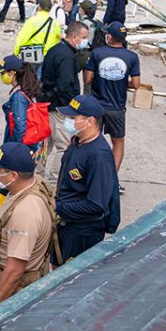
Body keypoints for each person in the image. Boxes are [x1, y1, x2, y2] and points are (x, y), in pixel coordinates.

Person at [0, 143, 58, 317]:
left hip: (17, 288)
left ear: (13, 175)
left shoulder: (25, 213)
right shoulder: (33, 183)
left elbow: (15, 270)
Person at [0, 55, 45, 226]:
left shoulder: (19, 96)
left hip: (19, 145)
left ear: (12, 73)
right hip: (31, 145)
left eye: (4, 72)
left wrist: (15, 151)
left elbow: (20, 125)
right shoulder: (27, 89)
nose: (2, 76)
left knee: (8, 180)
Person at [55, 95, 120, 262]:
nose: (67, 121)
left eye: (72, 118)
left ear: (90, 121)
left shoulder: (99, 156)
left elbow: (96, 204)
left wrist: (58, 208)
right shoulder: (77, 141)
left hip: (82, 232)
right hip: (66, 224)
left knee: (68, 280)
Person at [84, 22, 141, 177]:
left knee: (90, 139)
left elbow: (88, 79)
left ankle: (89, 175)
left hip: (97, 106)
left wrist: (101, 78)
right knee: (118, 143)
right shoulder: (132, 57)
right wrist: (121, 81)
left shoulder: (97, 53)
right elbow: (136, 85)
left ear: (109, 36)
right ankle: (110, 178)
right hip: (117, 108)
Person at [41, 21, 89, 184]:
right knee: (63, 146)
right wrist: (71, 110)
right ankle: (54, 181)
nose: (86, 41)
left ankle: (37, 177)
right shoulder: (66, 57)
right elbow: (66, 85)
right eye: (84, 37)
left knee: (45, 145)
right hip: (60, 109)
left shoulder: (56, 49)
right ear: (74, 37)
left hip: (49, 105)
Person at [13, 0, 62, 76]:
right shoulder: (55, 23)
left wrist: (16, 52)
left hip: (31, 54)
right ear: (50, 9)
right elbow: (57, 40)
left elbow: (22, 38)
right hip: (47, 56)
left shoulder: (32, 20)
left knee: (28, 79)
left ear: (39, 7)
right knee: (41, 79)